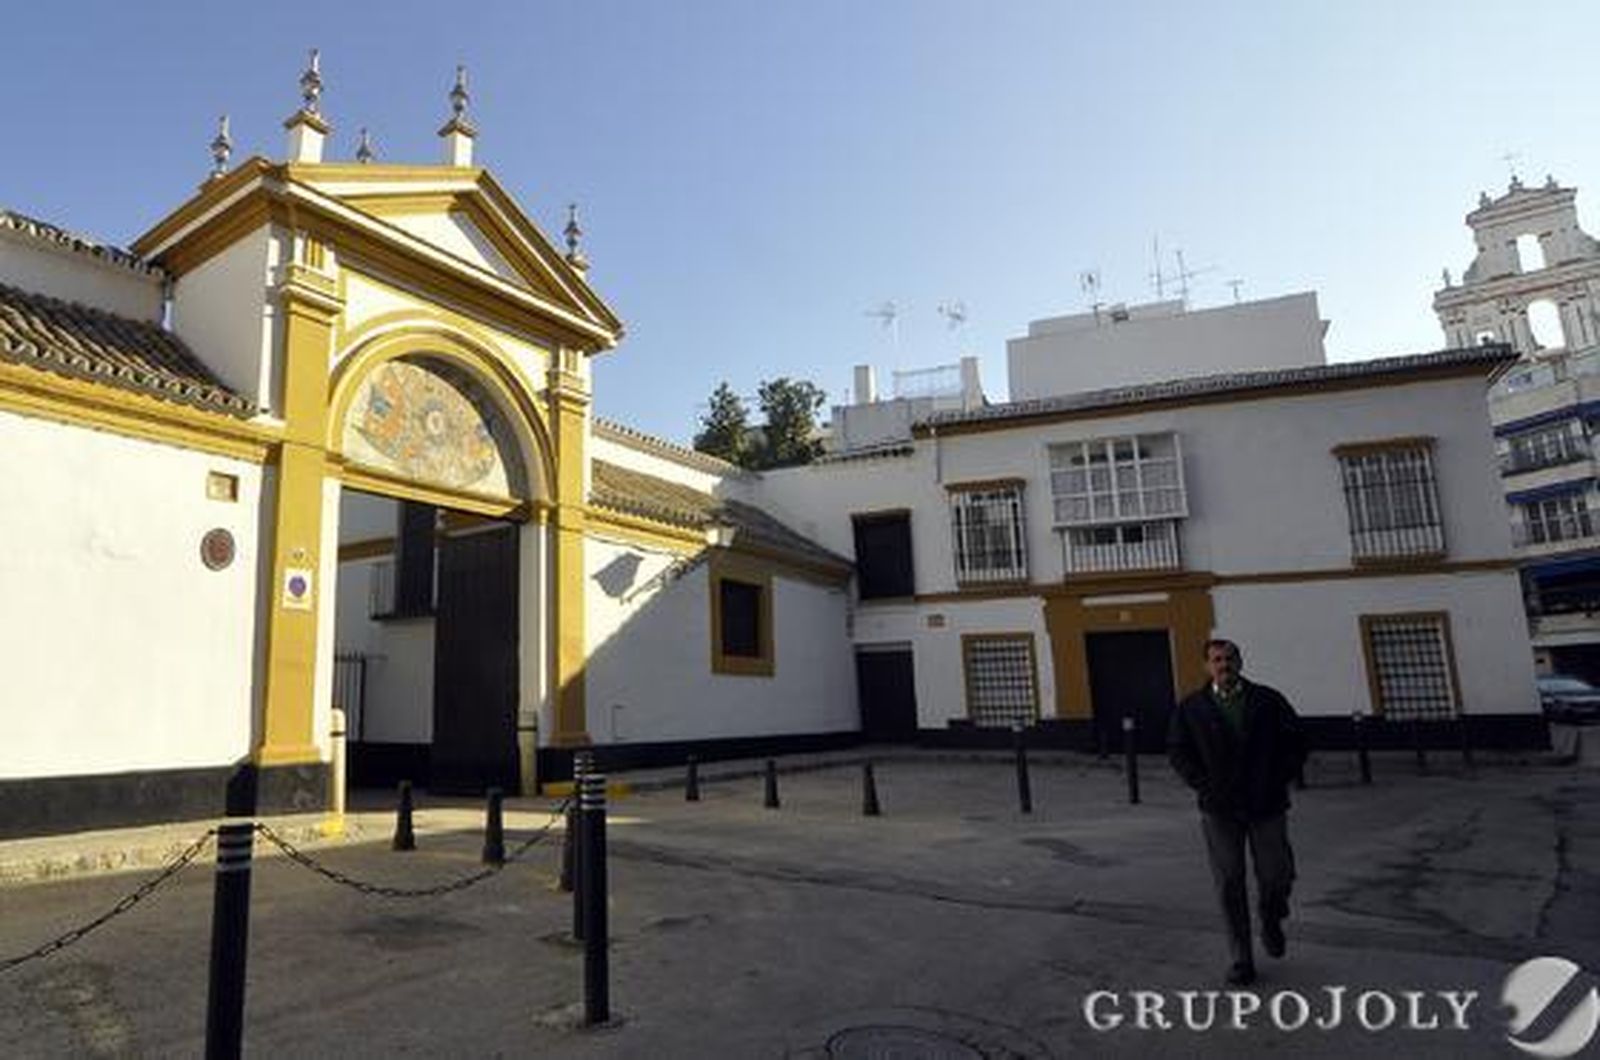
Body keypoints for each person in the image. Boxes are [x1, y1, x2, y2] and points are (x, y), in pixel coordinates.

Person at [1168, 637, 1307, 987]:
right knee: (1229, 881)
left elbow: (1297, 741)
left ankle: (1271, 914)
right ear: (1206, 666)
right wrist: (1202, 783)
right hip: (1220, 808)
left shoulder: (1268, 700)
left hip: (1267, 804)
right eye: (1216, 660)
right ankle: (1241, 957)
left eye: (1229, 658)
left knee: (1276, 874)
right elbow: (1178, 750)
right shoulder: (1192, 708)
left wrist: (1279, 777)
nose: (1224, 665)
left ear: (1240, 662)